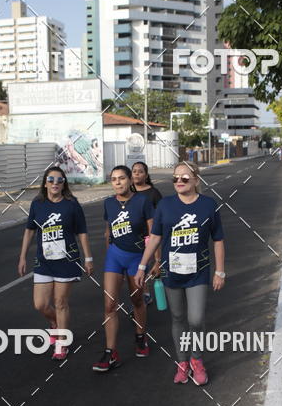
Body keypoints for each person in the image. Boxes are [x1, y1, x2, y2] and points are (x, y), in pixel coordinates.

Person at [135, 161, 225, 386]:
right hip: (171, 271)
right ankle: (183, 362)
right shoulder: (165, 205)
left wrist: (220, 271)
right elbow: (155, 237)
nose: (179, 182)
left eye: (185, 178)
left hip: (198, 271)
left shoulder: (208, 205)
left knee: (195, 319)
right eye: (175, 178)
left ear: (196, 180)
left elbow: (218, 240)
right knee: (177, 317)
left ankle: (197, 360)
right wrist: (142, 266)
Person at [18, 166, 93, 361]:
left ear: (64, 184)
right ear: (45, 183)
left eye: (59, 180)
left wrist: (88, 258)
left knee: (60, 302)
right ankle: (54, 324)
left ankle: (61, 343)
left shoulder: (72, 204)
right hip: (44, 261)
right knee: (40, 304)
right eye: (51, 179)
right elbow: (29, 231)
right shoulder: (38, 204)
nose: (55, 183)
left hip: (66, 261)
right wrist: (22, 256)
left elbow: (82, 232)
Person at [93, 165, 154, 372]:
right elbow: (108, 231)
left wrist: (154, 261)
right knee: (110, 305)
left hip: (136, 257)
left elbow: (152, 234)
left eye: (121, 178)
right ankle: (111, 352)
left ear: (129, 180)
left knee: (137, 299)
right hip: (115, 257)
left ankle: (140, 336)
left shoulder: (142, 201)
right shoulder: (108, 203)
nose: (117, 182)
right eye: (114, 179)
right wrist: (109, 249)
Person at [131, 161, 162, 306]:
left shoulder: (153, 193)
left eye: (140, 171)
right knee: (138, 266)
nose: (137, 173)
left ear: (146, 175)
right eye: (134, 171)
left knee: (144, 265)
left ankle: (145, 294)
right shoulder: (128, 191)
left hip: (150, 235)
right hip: (132, 235)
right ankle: (145, 294)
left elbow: (162, 213)